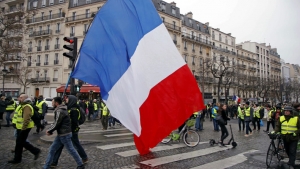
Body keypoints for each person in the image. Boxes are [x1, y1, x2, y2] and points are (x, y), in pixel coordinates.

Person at [43, 97, 84, 169]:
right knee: (53, 149)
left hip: (64, 134)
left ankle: (80, 164)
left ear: (56, 103)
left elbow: (57, 123)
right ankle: (47, 165)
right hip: (63, 133)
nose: (52, 103)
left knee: (71, 149)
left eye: (53, 102)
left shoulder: (60, 111)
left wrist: (49, 130)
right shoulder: (63, 109)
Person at [8, 94, 41, 164]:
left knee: (19, 143)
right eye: (19, 97)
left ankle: (17, 159)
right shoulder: (22, 105)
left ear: (25, 98)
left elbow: (26, 119)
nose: (19, 98)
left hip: (24, 128)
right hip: (20, 127)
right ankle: (35, 151)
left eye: (21, 97)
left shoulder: (26, 106)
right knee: (21, 142)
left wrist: (23, 129)